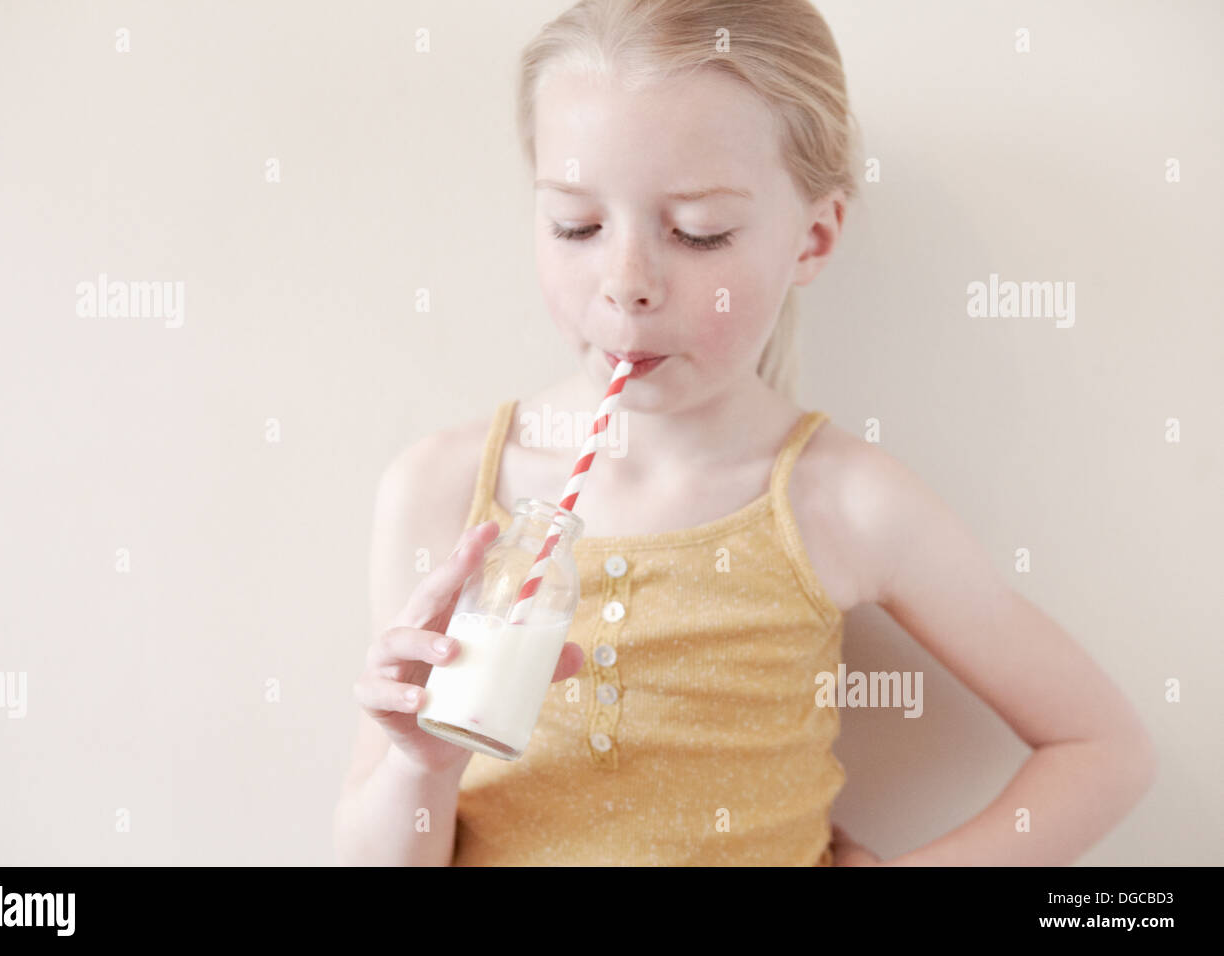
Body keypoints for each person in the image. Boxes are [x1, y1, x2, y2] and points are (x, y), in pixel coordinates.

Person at [334, 0, 1157, 866]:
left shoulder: (837, 500)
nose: (626, 283)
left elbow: (1104, 750)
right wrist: (419, 767)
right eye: (576, 223)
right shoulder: (442, 491)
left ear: (813, 237)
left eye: (699, 233)